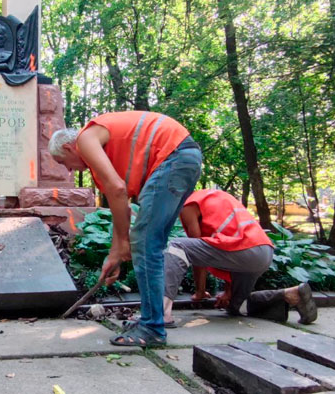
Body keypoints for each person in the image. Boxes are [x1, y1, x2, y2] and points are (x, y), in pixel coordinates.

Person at [49, 111, 202, 347]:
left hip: (173, 157)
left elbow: (118, 189)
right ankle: (152, 319)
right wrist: (117, 251)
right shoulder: (106, 154)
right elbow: (122, 206)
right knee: (150, 243)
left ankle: (152, 328)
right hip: (184, 157)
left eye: (62, 163)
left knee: (145, 243)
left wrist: (122, 246)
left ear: (69, 147)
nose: (69, 171)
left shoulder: (85, 139)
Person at [162, 189, 317, 327]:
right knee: (236, 306)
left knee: (178, 246)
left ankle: (162, 314)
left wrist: (200, 292)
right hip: (263, 251)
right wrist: (229, 291)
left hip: (245, 251)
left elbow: (195, 252)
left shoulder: (189, 203)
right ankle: (290, 294)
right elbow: (226, 240)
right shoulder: (217, 196)